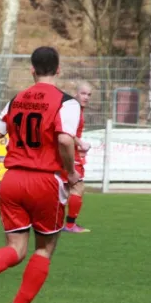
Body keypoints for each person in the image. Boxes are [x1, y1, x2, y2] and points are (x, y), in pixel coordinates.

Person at [0, 46, 81, 303]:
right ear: (58, 69)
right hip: (44, 181)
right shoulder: (66, 102)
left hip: (13, 180)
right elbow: (65, 139)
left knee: (16, 248)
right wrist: (71, 172)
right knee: (44, 249)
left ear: (32, 70)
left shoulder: (16, 100)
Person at [63, 81, 92, 233]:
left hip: (70, 152)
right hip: (69, 155)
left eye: (89, 94)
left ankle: (54, 224)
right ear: (76, 93)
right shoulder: (73, 109)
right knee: (77, 187)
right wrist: (81, 144)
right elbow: (67, 131)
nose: (86, 97)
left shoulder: (75, 109)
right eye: (83, 93)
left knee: (62, 189)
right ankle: (70, 225)